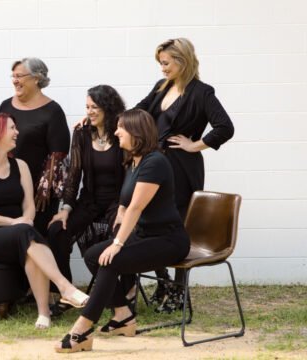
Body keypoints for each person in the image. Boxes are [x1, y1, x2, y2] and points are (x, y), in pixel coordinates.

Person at [55, 109, 190, 353]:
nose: (116, 132)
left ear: (137, 132)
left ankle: (83, 329)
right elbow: (127, 202)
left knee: (110, 260)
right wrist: (119, 212)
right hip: (146, 235)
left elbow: (137, 207)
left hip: (168, 239)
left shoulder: (155, 162)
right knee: (92, 255)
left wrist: (117, 242)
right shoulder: (133, 161)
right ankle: (123, 315)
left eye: (121, 128)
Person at [135, 38, 234, 312]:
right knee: (150, 221)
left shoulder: (202, 93)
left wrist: (195, 144)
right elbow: (136, 112)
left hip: (181, 167)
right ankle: (164, 282)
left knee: (177, 225)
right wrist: (98, 115)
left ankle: (179, 292)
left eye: (166, 63)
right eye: (160, 64)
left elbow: (225, 127)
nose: (162, 69)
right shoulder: (160, 87)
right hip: (155, 164)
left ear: (182, 60)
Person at [0, 113, 89, 330]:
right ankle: (65, 288)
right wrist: (14, 223)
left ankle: (44, 314)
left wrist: (27, 219)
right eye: (12, 128)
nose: (17, 133)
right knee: (26, 234)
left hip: (19, 231)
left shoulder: (20, 165)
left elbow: (29, 205)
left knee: (29, 245)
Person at [47, 85, 126, 310]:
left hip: (117, 203)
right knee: (57, 230)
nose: (89, 111)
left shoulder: (123, 133)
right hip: (90, 201)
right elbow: (74, 174)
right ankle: (67, 293)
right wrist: (66, 208)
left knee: (122, 236)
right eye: (87, 107)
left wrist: (124, 207)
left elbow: (131, 174)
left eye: (95, 107)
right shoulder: (81, 132)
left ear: (108, 108)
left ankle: (123, 292)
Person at [0, 58, 70, 237]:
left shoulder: (53, 111)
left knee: (36, 240)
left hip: (39, 197)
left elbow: (58, 155)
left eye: (19, 76)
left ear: (36, 78)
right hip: (8, 190)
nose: (15, 80)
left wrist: (42, 190)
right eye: (13, 76)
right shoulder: (5, 106)